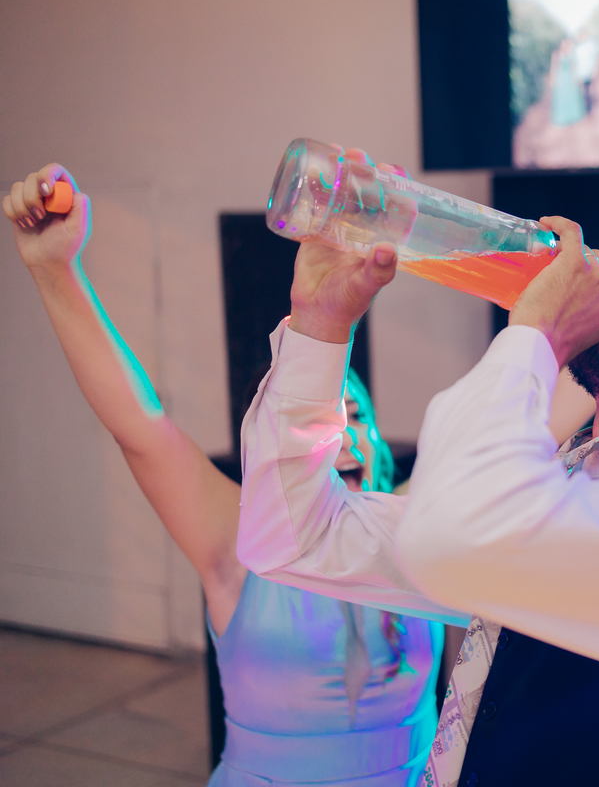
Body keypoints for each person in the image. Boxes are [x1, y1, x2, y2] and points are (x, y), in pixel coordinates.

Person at [238, 150, 599, 786]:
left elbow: (458, 534)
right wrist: (320, 323)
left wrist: (540, 332)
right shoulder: (563, 481)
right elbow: (290, 535)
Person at [4, 164, 442, 787]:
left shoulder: (418, 528)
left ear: (380, 443)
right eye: (322, 425)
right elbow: (141, 428)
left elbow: (538, 427)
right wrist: (56, 271)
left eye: (355, 416)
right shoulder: (238, 544)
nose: (340, 436)